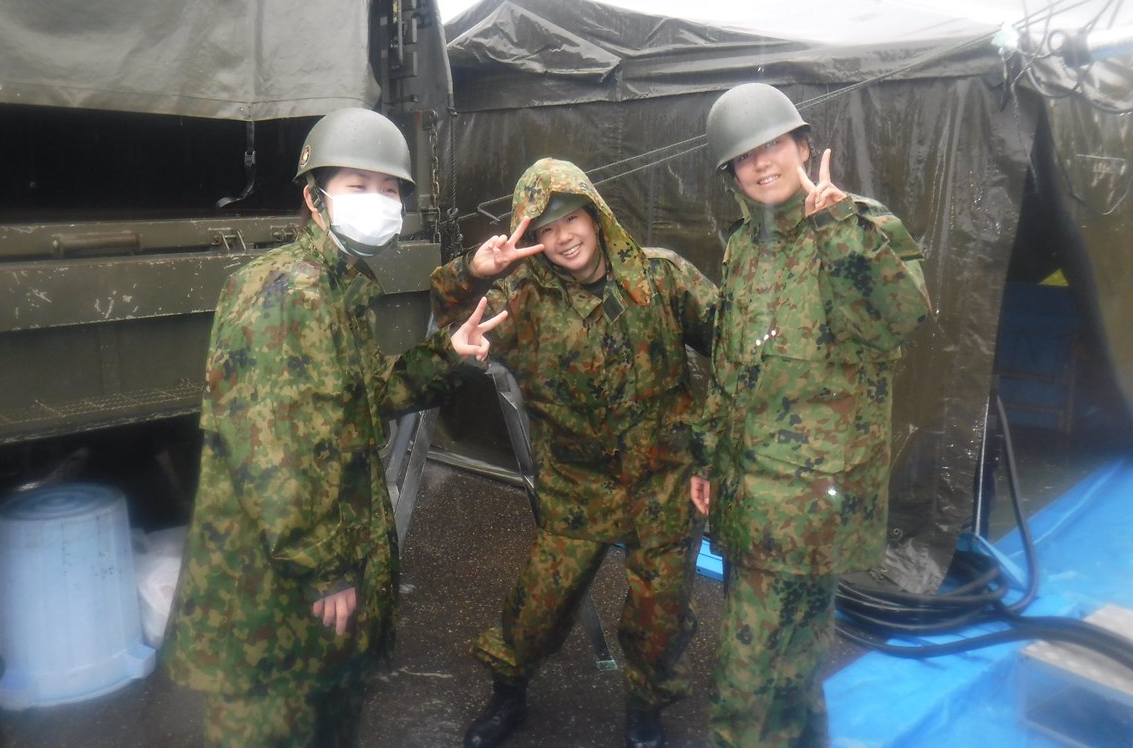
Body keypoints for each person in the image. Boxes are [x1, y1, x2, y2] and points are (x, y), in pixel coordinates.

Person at [161, 108, 505, 747]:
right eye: (358, 185)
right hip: (268, 607)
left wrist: (449, 354)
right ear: (314, 200)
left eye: (390, 189)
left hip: (305, 596)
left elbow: (367, 396)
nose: (379, 201)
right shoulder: (289, 294)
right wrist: (325, 570)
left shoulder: (339, 285)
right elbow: (275, 455)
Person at [430, 157, 718, 748]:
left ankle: (647, 708)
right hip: (576, 487)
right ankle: (508, 696)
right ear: (531, 242)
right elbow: (460, 326)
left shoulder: (661, 279)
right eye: (543, 231)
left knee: (657, 614)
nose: (562, 238)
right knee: (537, 607)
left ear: (595, 214)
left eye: (570, 220)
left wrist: (711, 448)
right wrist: (473, 272)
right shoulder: (524, 297)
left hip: (662, 482)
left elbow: (734, 343)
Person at [691, 83, 932, 747]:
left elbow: (898, 322)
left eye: (773, 145)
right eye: (744, 157)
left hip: (814, 499)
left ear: (803, 146)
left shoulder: (861, 226)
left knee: (749, 676)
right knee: (791, 659)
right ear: (732, 175)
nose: (762, 163)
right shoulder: (744, 245)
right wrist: (708, 457)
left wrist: (837, 232)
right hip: (751, 495)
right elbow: (731, 363)